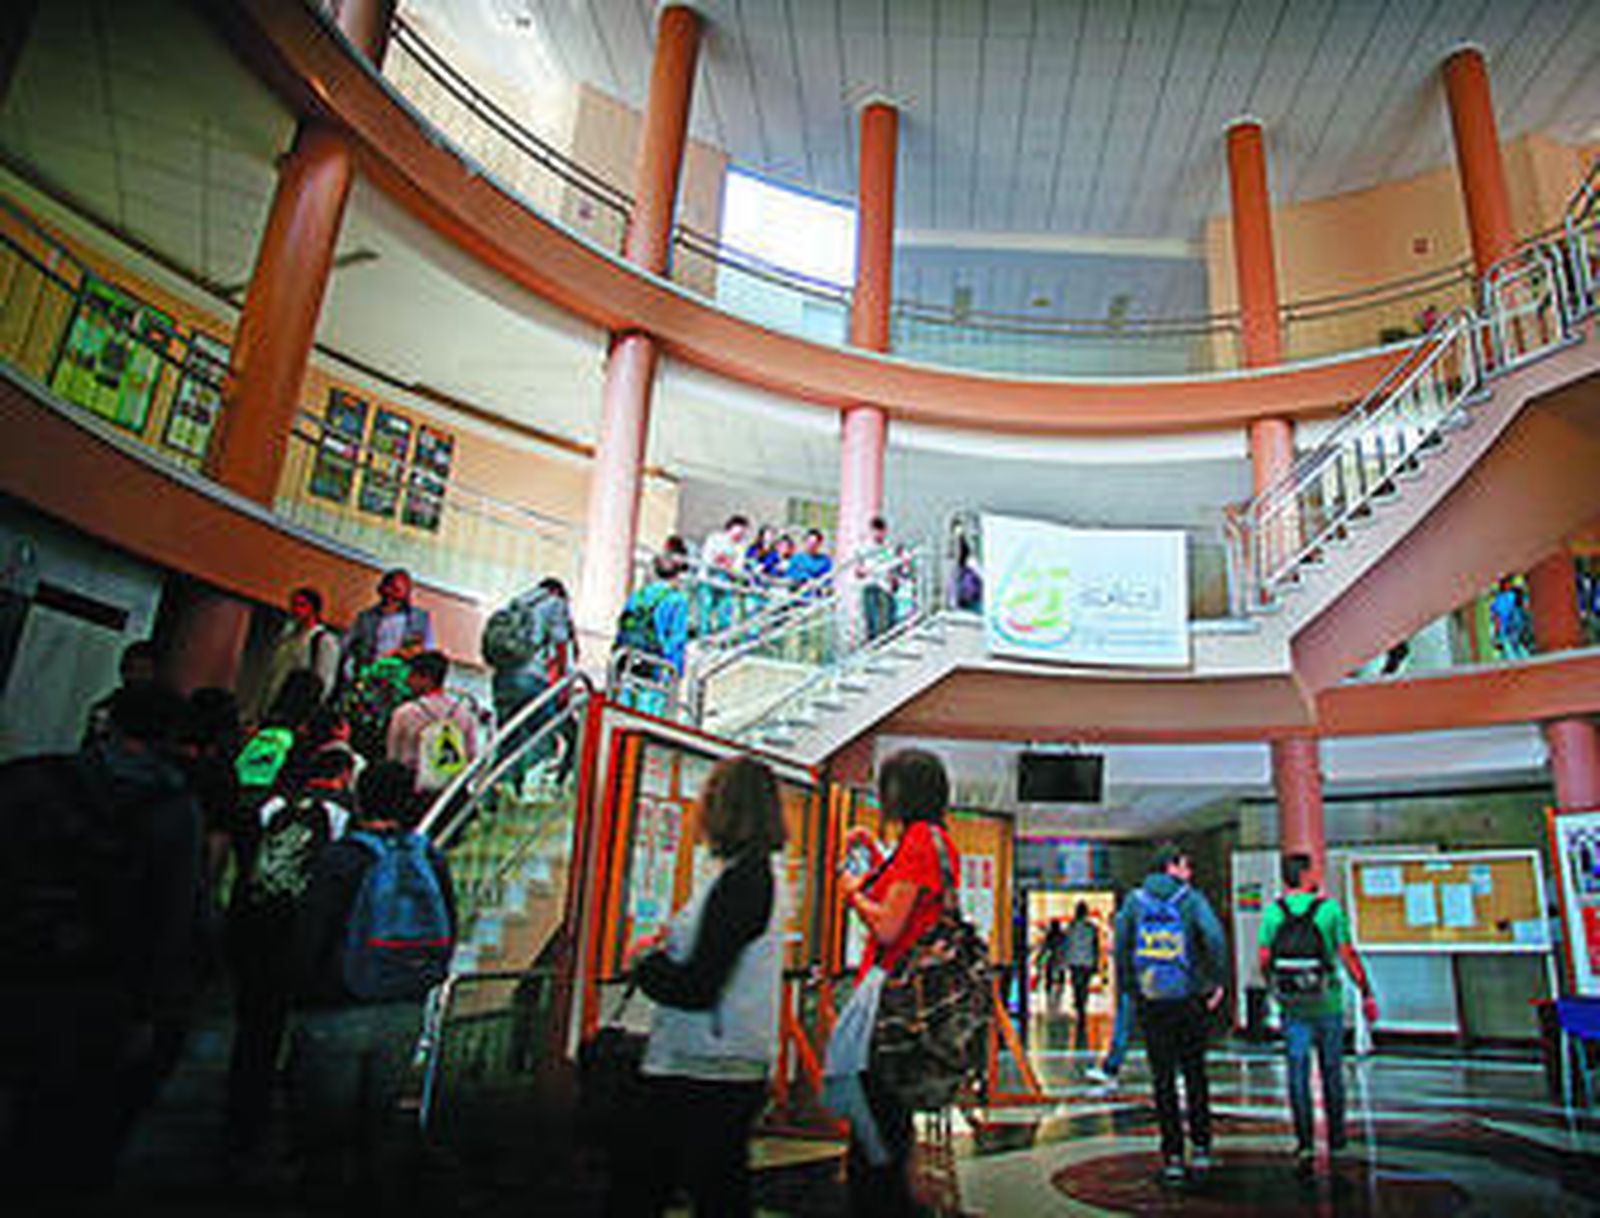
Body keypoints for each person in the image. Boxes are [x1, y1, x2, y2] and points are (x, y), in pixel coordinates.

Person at [0, 683, 203, 1197]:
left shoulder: (32, 780)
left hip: (20, 963)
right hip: (103, 985)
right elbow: (176, 913)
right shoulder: (174, 810)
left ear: (108, 720)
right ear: (171, 735)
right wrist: (158, 1005)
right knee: (70, 1121)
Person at [612, 755, 787, 1216]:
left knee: (649, 1185)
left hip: (705, 1064)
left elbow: (698, 985)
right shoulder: (755, 875)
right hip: (725, 1061)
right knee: (718, 1191)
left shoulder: (741, 881)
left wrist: (644, 965)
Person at [290, 760, 455, 1205]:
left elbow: (311, 933)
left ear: (360, 800)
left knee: (326, 1131)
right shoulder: (429, 857)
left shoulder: (341, 858)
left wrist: (302, 992)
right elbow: (448, 931)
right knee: (378, 1126)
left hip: (338, 1006)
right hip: (404, 1004)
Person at [831, 748, 958, 1217]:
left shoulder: (920, 841)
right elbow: (909, 894)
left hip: (892, 998)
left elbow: (888, 926)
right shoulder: (936, 840)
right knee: (889, 1116)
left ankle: (877, 1205)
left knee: (876, 1119)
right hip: (911, 1000)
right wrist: (875, 848)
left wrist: (851, 893)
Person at [223, 742, 356, 1164]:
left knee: (254, 1032)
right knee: (308, 1035)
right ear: (344, 776)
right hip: (311, 937)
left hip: (258, 930)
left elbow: (244, 858)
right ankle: (298, 1133)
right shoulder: (342, 814)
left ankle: (241, 1124)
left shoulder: (271, 807)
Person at [1257, 852, 1380, 1177]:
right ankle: (1336, 1139)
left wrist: (1275, 987)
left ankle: (1305, 1142)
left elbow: (1264, 957)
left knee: (1297, 1073)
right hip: (1328, 1002)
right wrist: (1366, 992)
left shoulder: (1273, 913)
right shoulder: (1330, 910)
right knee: (1331, 1071)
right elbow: (1347, 954)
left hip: (1292, 1007)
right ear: (1306, 875)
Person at [1113, 841, 1226, 1184]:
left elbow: (1120, 947)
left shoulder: (1134, 902)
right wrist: (1215, 980)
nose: (1189, 872)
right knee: (1195, 1073)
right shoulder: (1191, 899)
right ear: (1171, 867)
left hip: (1151, 1000)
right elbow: (1214, 938)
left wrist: (1130, 987)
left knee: (1162, 1079)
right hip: (1188, 999)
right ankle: (1202, 1147)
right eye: (1184, 865)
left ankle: (1173, 1155)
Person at [483, 577, 576, 767]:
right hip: (531, 678)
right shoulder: (555, 603)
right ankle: (532, 781)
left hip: (502, 679)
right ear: (557, 592)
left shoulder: (516, 604)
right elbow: (561, 646)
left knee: (508, 740)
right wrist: (564, 687)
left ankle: (504, 780)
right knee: (541, 738)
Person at [386, 650, 479, 795]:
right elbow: (472, 755)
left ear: (426, 679)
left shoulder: (405, 714)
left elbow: (394, 757)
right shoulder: (464, 714)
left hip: (413, 790)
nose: (407, 681)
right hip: (451, 791)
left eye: (412, 676)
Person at [245, 586, 340, 726]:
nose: (296, 610)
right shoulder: (288, 637)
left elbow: (324, 682)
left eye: (302, 605)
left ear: (313, 610)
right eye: (294, 605)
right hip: (272, 706)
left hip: (295, 711)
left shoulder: (323, 641)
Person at [613, 552, 692, 715]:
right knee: (650, 709)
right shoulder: (678, 600)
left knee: (626, 703)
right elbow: (677, 639)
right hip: (657, 664)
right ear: (677, 575)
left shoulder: (638, 595)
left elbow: (623, 625)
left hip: (630, 657)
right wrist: (676, 671)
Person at [340, 568, 434, 685]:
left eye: (397, 592)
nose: (391, 597)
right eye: (390, 589)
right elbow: (346, 645)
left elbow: (427, 652)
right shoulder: (366, 618)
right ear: (382, 589)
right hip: (370, 677)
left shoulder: (419, 619)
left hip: (401, 680)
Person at [82, 637, 159, 749]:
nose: (134, 676)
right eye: (130, 669)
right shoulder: (106, 709)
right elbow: (92, 747)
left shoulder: (166, 712)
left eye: (143, 670)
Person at [699, 514, 752, 634]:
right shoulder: (715, 539)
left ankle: (722, 636)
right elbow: (707, 559)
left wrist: (728, 565)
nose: (740, 535)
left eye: (743, 533)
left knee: (725, 611)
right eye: (739, 531)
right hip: (708, 579)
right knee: (705, 609)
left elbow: (737, 568)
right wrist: (721, 562)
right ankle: (703, 635)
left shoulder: (740, 547)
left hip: (725, 582)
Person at [1064, 902, 1102, 1049]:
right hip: (1087, 961)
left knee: (1076, 984)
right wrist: (1096, 962)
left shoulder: (1071, 928)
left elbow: (1067, 945)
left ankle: (1079, 1004)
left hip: (1074, 961)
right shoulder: (1091, 928)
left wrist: (1066, 960)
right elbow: (1095, 946)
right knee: (1084, 985)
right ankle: (1082, 1005)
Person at [859, 515, 898, 642]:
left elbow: (892, 566)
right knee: (872, 619)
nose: (878, 534)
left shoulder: (888, 548)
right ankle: (873, 643)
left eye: (881, 530)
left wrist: (892, 579)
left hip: (885, 586)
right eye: (875, 530)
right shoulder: (864, 547)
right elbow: (859, 568)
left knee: (887, 618)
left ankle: (887, 642)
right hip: (870, 584)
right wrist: (862, 571)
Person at [1035, 919, 1068, 1015]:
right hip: (1061, 960)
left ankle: (1049, 995)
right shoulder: (1063, 936)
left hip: (1052, 959)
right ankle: (1060, 993)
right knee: (1061, 976)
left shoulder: (1049, 936)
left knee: (1049, 976)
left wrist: (1039, 959)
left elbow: (1045, 948)